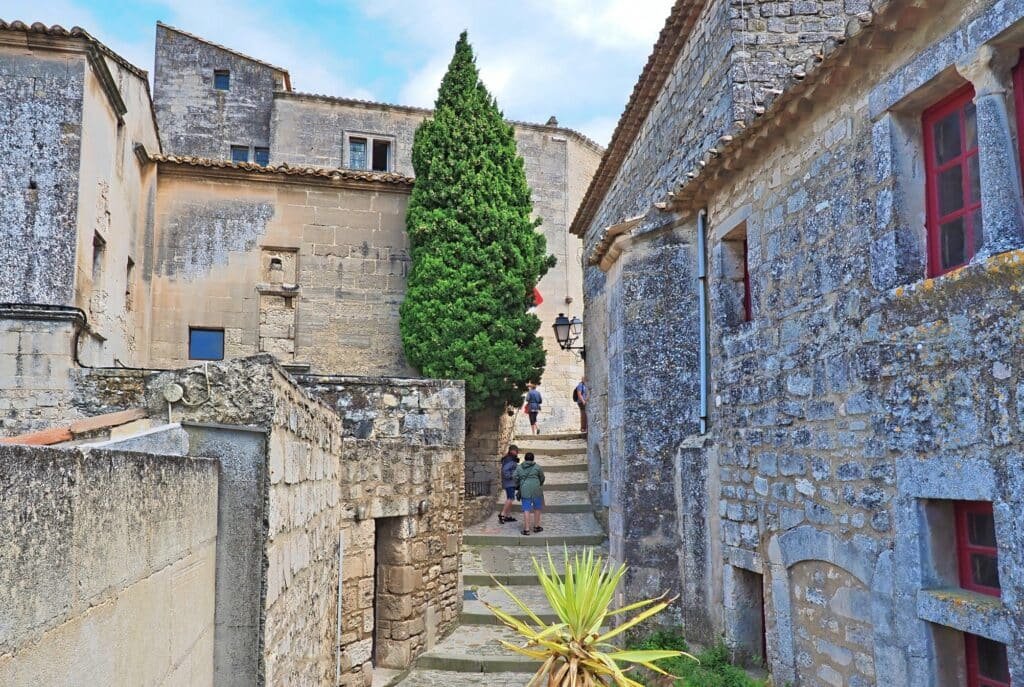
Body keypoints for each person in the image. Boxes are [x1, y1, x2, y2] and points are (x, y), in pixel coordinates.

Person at [514, 451, 545, 535]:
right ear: (533, 459)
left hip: (525, 490)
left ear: (525, 459)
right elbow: (542, 478)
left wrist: (519, 483)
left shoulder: (519, 467)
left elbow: (514, 477)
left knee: (526, 509)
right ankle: (536, 526)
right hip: (536, 490)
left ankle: (526, 529)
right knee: (537, 508)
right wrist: (538, 483)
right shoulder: (537, 467)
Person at [498, 444, 520, 524]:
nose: (517, 453)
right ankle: (502, 514)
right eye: (516, 451)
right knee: (510, 498)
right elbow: (505, 471)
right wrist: (511, 476)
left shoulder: (509, 458)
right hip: (510, 482)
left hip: (510, 483)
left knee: (510, 498)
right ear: (512, 451)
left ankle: (507, 516)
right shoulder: (509, 459)